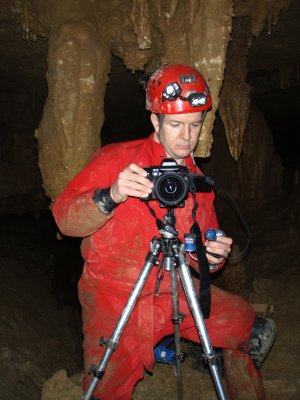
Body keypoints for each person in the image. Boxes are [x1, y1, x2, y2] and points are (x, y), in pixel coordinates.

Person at [53, 64, 275, 400]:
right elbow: (65, 220)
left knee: (242, 320)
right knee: (107, 389)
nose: (187, 137)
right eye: (175, 124)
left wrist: (211, 256)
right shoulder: (116, 160)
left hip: (176, 292)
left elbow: (203, 260)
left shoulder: (198, 184)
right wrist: (111, 195)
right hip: (115, 300)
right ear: (155, 121)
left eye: (195, 125)